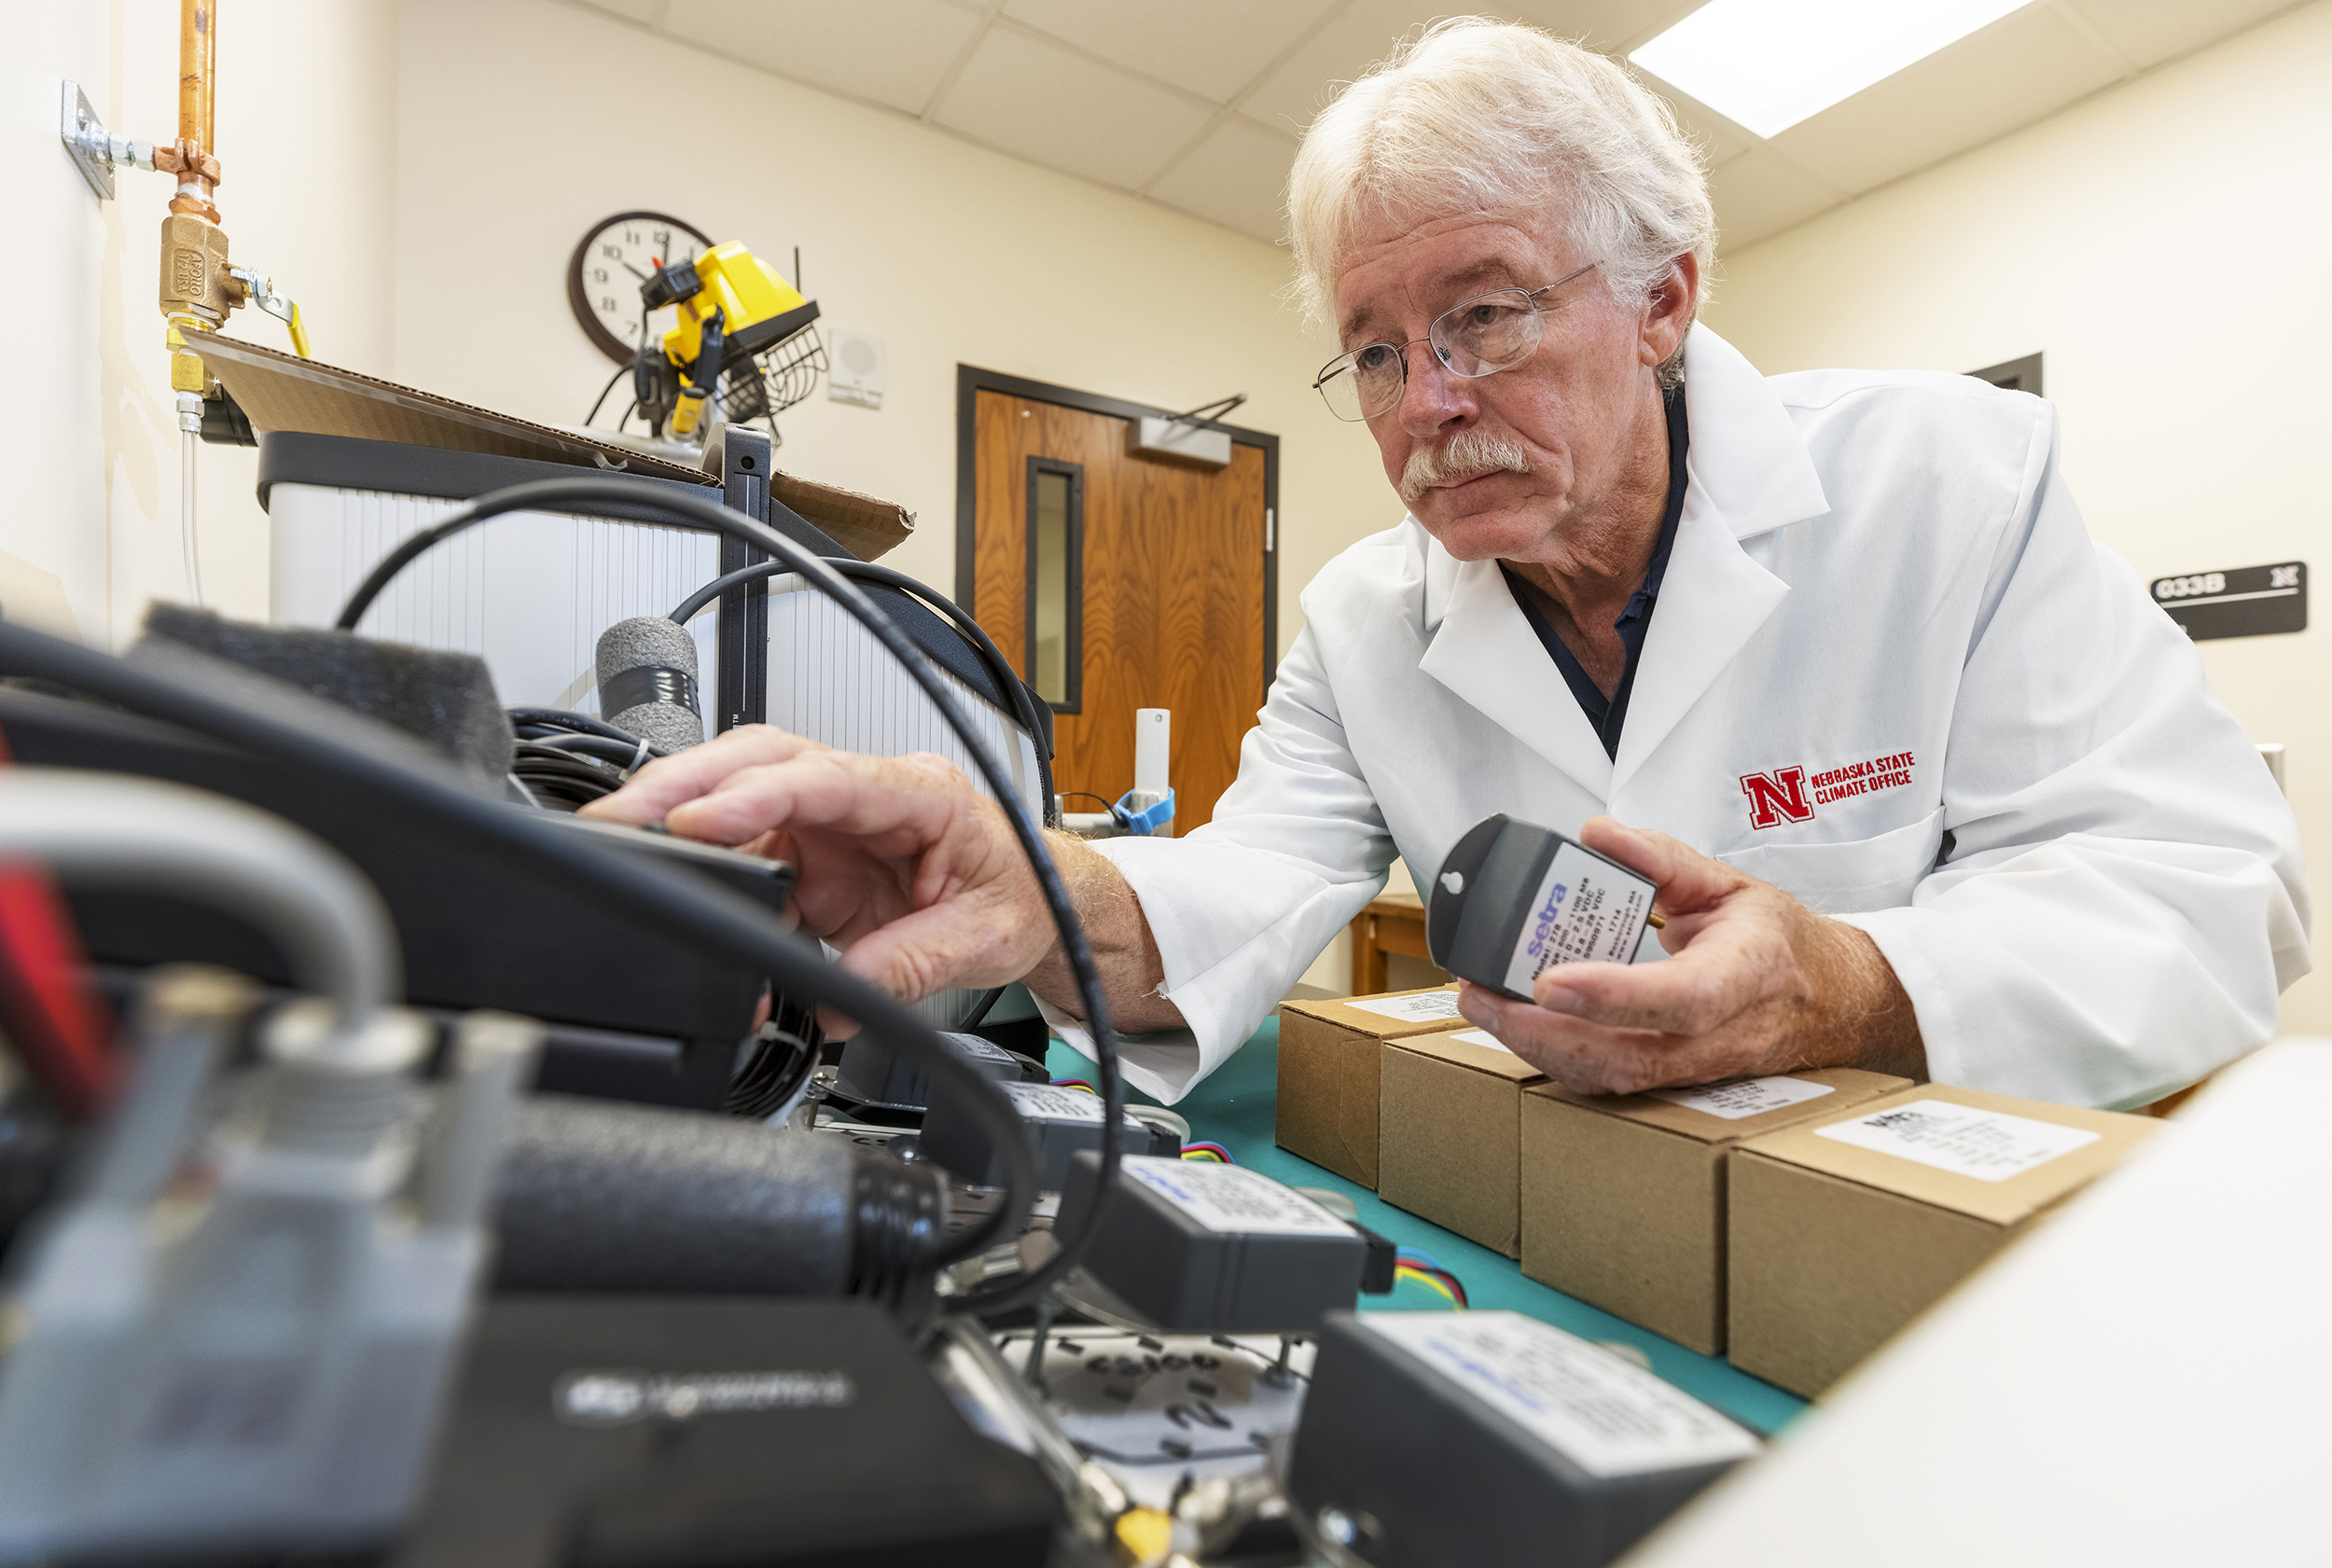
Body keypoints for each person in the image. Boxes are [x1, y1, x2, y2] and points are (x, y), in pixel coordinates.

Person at [587, 20, 2307, 1113]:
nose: (1430, 406)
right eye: (1381, 352)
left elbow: (2221, 890)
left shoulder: (1948, 477)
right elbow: (1239, 890)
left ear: (1665, 298)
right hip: (1607, 1218)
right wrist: (1032, 886)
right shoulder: (1363, 621)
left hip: (1965, 1228)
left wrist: (1848, 980)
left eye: (1481, 313)